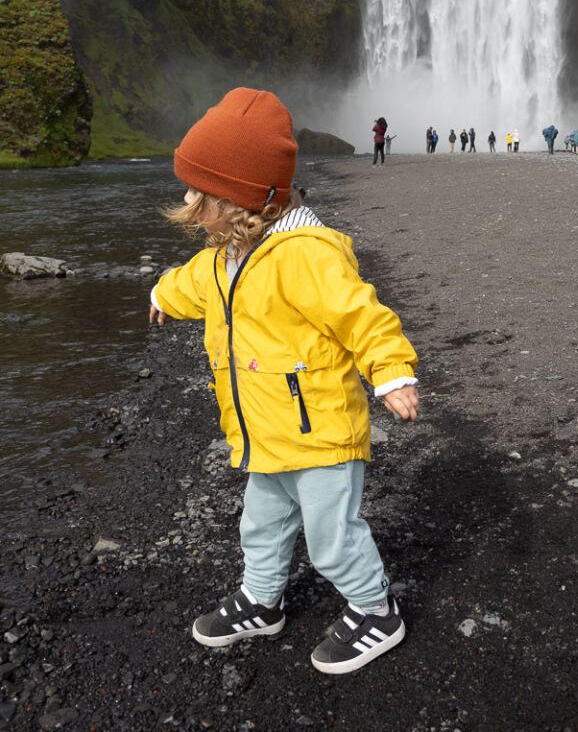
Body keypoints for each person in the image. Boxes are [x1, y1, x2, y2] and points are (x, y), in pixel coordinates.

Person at [149, 88, 419, 675]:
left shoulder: (307, 255)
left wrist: (391, 370)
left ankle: (376, 610)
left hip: (320, 432)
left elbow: (361, 315)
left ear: (251, 202)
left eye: (203, 196)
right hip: (266, 431)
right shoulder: (228, 254)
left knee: (331, 538)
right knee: (261, 524)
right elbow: (193, 283)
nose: (190, 206)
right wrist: (159, 295)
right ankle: (261, 602)